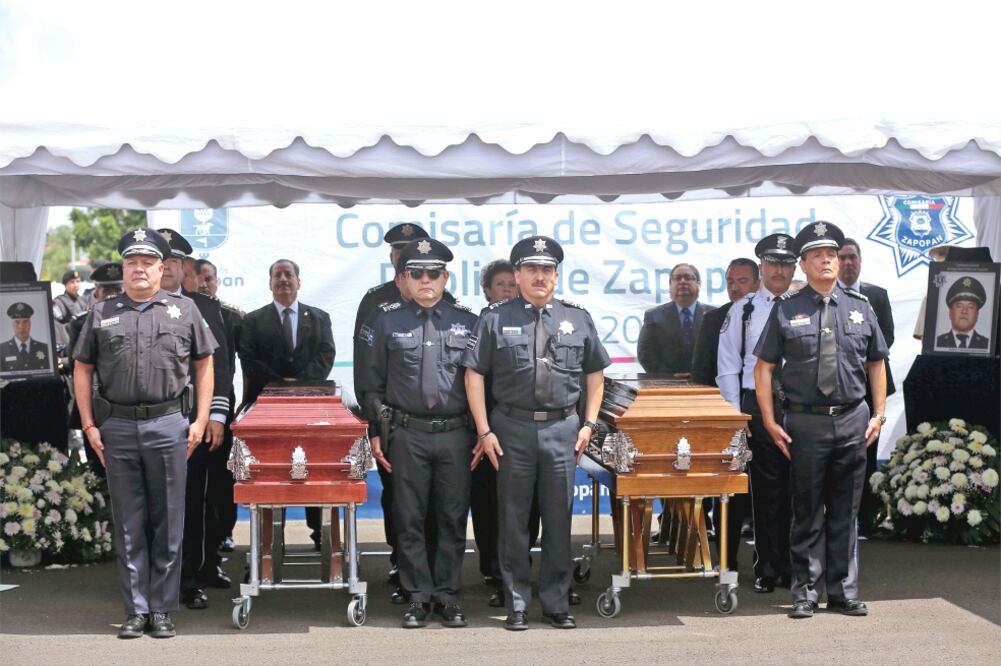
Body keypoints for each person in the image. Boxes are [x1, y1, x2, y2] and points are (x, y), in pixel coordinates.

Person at [73, 227, 218, 639]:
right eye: (132, 263)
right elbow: (82, 370)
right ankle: (136, 609)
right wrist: (89, 424)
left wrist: (202, 420)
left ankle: (162, 609)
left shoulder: (184, 310)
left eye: (147, 263)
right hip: (116, 426)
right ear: (124, 269)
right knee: (128, 521)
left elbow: (204, 364)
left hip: (168, 424)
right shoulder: (102, 313)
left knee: (169, 520)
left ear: (162, 269)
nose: (139, 269)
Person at [463, 236, 611, 631]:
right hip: (511, 429)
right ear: (517, 275)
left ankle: (556, 602)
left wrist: (589, 424)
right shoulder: (495, 317)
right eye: (531, 269)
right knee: (513, 519)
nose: (540, 276)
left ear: (557, 275)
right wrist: (484, 430)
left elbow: (595, 375)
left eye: (547, 270)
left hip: (563, 428)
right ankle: (516, 602)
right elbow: (473, 374)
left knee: (559, 519)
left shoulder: (577, 318)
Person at [753, 220, 888, 619]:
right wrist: (768, 419)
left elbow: (877, 362)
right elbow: (763, 368)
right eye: (817, 255)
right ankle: (805, 592)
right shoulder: (787, 309)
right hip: (806, 422)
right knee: (807, 508)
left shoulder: (861, 307)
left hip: (852, 419)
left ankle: (843, 592)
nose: (827, 261)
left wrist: (879, 414)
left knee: (846, 509)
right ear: (803, 264)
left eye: (832, 254)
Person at [359, 238, 478, 629]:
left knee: (451, 516)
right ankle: (416, 597)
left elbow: (483, 382)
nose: (425, 280)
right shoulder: (387, 320)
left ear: (445, 277)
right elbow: (372, 383)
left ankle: (447, 595)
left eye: (433, 273)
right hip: (407, 433)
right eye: (417, 273)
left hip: (455, 434)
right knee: (408, 518)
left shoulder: (468, 320)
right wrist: (376, 430)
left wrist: (482, 431)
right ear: (404, 279)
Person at [352, 223, 453, 602]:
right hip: (398, 423)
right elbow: (367, 369)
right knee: (402, 503)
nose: (420, 273)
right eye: (400, 252)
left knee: (442, 508)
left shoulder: (446, 301)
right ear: (394, 260)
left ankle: (437, 580)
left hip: (445, 429)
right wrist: (375, 422)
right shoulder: (376, 302)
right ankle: (404, 568)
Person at [155, 229, 233, 610]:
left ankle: (189, 580)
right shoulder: (133, 305)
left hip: (192, 421)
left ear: (185, 267)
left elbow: (220, 366)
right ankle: (151, 582)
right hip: (144, 421)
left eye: (174, 261)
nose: (167, 267)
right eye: (161, 259)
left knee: (191, 504)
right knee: (149, 505)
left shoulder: (204, 308)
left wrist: (215, 415)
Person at [716, 234, 796, 593]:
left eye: (785, 264)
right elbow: (728, 365)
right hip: (755, 404)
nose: (779, 270)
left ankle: (798, 567)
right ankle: (768, 566)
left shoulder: (806, 304)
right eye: (772, 263)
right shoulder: (744, 309)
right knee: (766, 492)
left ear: (795, 267)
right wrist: (736, 417)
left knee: (801, 493)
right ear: (761, 266)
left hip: (799, 406)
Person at [239, 258, 335, 548]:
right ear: (270, 283)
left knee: (313, 471)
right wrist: (280, 386)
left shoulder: (319, 317)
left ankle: (321, 536)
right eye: (277, 275)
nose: (283, 279)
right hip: (267, 413)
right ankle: (269, 544)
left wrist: (301, 384)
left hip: (311, 410)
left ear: (299, 281)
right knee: (270, 474)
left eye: (288, 274)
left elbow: (326, 354)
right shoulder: (253, 321)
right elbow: (249, 358)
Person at [838, 238, 897, 535]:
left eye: (852, 257)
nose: (847, 263)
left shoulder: (877, 294)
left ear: (860, 260)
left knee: (867, 455)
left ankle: (865, 518)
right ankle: (837, 518)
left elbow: (887, 335)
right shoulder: (824, 296)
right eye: (842, 258)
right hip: (834, 389)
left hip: (870, 388)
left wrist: (862, 356)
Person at [196, 258, 243, 554]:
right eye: (198, 277)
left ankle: (225, 531)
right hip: (191, 408)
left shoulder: (231, 316)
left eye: (209, 278)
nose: (204, 283)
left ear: (217, 281)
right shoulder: (183, 311)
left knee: (223, 475)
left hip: (222, 405)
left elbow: (239, 365)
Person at [66, 262, 124, 474]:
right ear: (97, 294)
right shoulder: (82, 322)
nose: (111, 296)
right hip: (95, 406)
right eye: (107, 291)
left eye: (117, 291)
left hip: (127, 404)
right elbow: (77, 366)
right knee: (98, 469)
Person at [691, 258, 760, 386]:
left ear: (758, 284)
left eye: (742, 281)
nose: (734, 288)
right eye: (730, 281)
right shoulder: (713, 319)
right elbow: (701, 369)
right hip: (723, 398)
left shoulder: (772, 314)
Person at [637, 263, 715, 377]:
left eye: (688, 278)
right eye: (677, 278)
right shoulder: (654, 316)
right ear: (670, 285)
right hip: (666, 386)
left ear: (698, 284)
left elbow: (724, 352)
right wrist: (670, 376)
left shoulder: (714, 315)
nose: (683, 282)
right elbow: (645, 353)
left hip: (709, 385)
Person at [935, 276, 990, 350]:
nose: (964, 311)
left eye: (970, 307)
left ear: (977, 314)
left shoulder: (987, 345)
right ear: (950, 312)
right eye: (959, 306)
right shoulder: (937, 342)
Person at [2, 303, 50, 372]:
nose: (21, 327)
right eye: (17, 322)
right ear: (12, 324)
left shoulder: (45, 348)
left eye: (25, 322)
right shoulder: (2, 350)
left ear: (30, 324)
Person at [52, 269, 86, 350]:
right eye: (72, 282)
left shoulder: (83, 299)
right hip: (69, 342)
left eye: (78, 281)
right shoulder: (59, 301)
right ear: (65, 284)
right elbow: (58, 324)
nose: (76, 284)